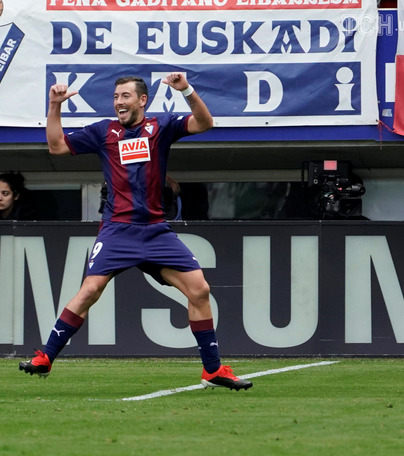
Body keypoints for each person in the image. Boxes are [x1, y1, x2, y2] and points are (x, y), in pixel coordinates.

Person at [19, 75, 253, 391]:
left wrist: (186, 90)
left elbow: (204, 122)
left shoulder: (162, 126)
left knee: (199, 290)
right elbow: (56, 145)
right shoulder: (103, 132)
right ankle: (46, 357)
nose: (119, 102)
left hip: (156, 231)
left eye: (125, 96)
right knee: (89, 291)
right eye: (116, 96)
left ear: (142, 100)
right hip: (117, 230)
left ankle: (212, 370)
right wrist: (54, 105)